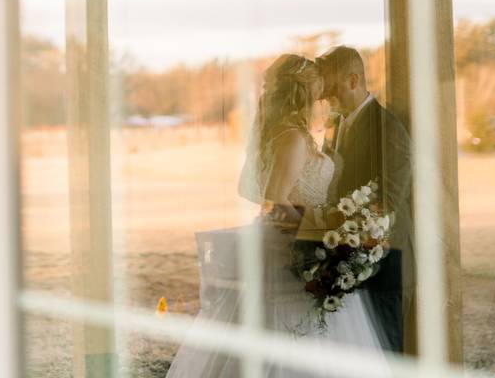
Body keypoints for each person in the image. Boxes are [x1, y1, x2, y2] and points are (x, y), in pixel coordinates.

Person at [166, 54, 387, 378]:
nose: (323, 94)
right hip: (292, 251)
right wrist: (326, 232)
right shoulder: (293, 139)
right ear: (304, 93)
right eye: (318, 87)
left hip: (299, 242)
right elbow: (275, 203)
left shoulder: (290, 133)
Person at [315, 46, 413, 354]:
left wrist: (342, 231)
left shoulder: (388, 129)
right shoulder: (334, 124)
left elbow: (389, 199)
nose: (324, 96)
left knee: (385, 349)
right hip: (342, 255)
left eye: (331, 88)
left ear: (354, 80)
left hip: (382, 259)